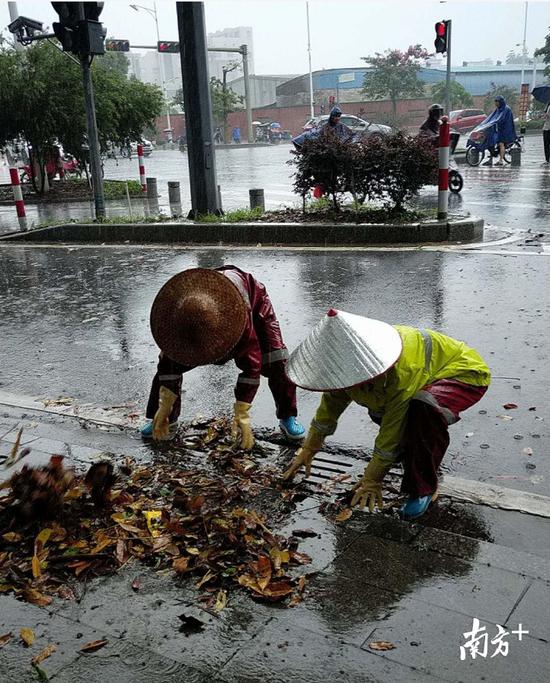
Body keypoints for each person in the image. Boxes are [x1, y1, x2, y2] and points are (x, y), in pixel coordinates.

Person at [283, 309, 491, 520]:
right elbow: (329, 407)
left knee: (422, 410)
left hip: (463, 373)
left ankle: (424, 489)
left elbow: (391, 429)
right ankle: (408, 453)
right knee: (380, 408)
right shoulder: (344, 363)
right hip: (420, 380)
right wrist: (309, 448)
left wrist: (372, 479)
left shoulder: (400, 373)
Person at [141, 267, 305, 446]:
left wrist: (242, 410)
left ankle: (288, 416)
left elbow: (252, 366)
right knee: (171, 363)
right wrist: (164, 404)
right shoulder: (177, 319)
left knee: (276, 358)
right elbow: (167, 367)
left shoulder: (239, 322)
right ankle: (166, 420)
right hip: (200, 304)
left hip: (252, 303)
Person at [483, 96, 516, 166]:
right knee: (491, 142)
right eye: (495, 102)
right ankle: (490, 160)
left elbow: (500, 118)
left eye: (497, 102)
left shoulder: (506, 109)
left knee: (501, 143)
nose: (496, 104)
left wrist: (494, 122)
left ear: (501, 102)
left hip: (506, 130)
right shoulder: (498, 109)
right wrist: (485, 123)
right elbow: (492, 117)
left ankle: (500, 160)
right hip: (499, 129)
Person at [542, 102, 550, 166]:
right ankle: (547, 160)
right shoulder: (547, 105)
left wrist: (547, 115)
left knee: (547, 144)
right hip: (546, 127)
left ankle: (547, 160)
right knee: (546, 145)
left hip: (548, 128)